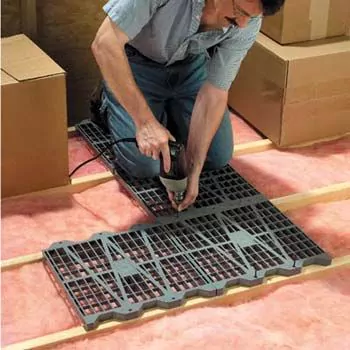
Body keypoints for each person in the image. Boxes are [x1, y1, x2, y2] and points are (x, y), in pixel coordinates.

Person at [92, 0, 285, 211]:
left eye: (253, 16)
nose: (242, 24)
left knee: (216, 156)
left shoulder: (247, 20)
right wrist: (145, 123)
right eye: (240, 12)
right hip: (137, 63)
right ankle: (111, 100)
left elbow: (215, 91)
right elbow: (104, 43)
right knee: (144, 165)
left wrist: (193, 167)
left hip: (189, 66)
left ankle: (166, 116)